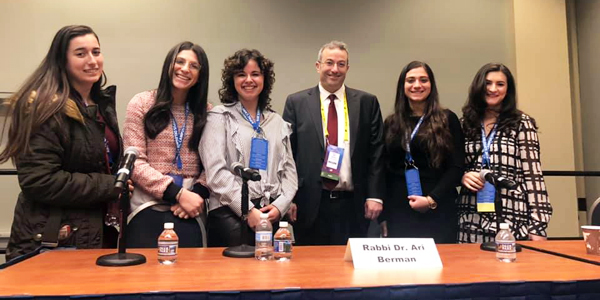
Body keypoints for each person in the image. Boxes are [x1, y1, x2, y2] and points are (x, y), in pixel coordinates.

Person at [0, 25, 122, 261]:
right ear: (61, 60)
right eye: (80, 53)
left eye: (96, 52)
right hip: (53, 239)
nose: (92, 61)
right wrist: (109, 186)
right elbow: (38, 180)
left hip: (95, 231)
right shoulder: (44, 107)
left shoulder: (99, 104)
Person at [282, 41, 385, 245]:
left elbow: (377, 152)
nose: (334, 69)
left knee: (352, 270)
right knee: (310, 271)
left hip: (353, 204)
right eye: (329, 63)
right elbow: (287, 155)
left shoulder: (367, 102)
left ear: (347, 68)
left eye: (341, 64)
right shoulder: (296, 102)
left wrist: (375, 196)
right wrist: (289, 198)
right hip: (309, 203)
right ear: (318, 65)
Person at [199, 49, 297, 247]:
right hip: (230, 218)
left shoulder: (277, 121)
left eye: (255, 74)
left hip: (272, 217)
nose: (248, 80)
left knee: (275, 277)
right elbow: (216, 174)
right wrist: (247, 210)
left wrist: (279, 207)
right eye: (241, 74)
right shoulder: (219, 117)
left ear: (264, 79)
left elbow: (290, 175)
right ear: (232, 80)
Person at [123, 41, 211, 248]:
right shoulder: (141, 103)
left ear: (200, 75)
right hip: (146, 205)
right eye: (179, 62)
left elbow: (213, 165)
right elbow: (134, 162)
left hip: (190, 209)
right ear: (169, 65)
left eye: (193, 65)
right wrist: (176, 193)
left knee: (190, 277)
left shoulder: (207, 112)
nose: (184, 69)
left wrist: (197, 194)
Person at [458, 63, 552, 243]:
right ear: (478, 86)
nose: (493, 89)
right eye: (488, 83)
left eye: (500, 84)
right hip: (471, 216)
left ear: (508, 89)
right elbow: (455, 167)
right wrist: (463, 176)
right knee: (472, 269)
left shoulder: (521, 122)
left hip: (511, 215)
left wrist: (539, 224)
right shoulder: (465, 123)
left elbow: (533, 175)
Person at [381, 61, 464, 243]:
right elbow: (385, 171)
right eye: (411, 80)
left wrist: (431, 199)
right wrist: (383, 216)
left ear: (431, 85)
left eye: (423, 80)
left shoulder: (447, 119)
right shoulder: (391, 123)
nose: (417, 85)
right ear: (402, 86)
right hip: (399, 211)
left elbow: (457, 167)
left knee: (442, 268)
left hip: (438, 208)